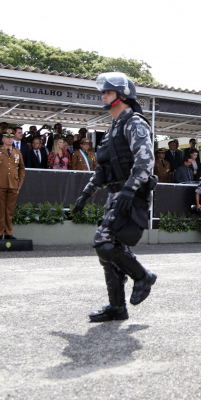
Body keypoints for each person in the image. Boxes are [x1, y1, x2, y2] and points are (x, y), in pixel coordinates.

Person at [71, 72, 158, 323]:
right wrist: (86, 194)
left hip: (132, 194)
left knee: (104, 243)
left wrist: (129, 191)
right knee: (108, 251)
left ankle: (143, 276)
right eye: (104, 92)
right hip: (115, 194)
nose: (103, 96)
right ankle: (117, 307)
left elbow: (145, 163)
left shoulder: (135, 123)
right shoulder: (113, 129)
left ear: (122, 96)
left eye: (108, 92)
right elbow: (103, 171)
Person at [0, 129, 25, 240]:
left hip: (13, 183)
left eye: (11, 137)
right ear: (3, 139)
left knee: (10, 210)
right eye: (7, 137)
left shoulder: (17, 152)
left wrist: (20, 182)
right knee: (1, 209)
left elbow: (22, 168)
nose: (9, 139)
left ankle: (8, 232)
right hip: (0, 183)